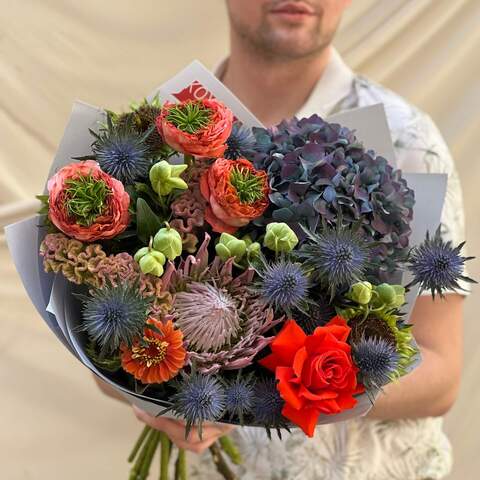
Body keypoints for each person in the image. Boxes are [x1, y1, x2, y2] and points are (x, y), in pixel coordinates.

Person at [96, 1, 469, 478]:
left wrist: (278, 391)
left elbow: (441, 374)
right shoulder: (165, 125)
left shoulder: (408, 142)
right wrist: (153, 392)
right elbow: (99, 326)